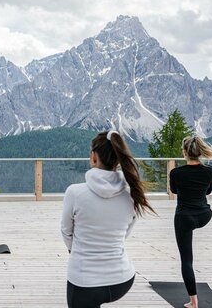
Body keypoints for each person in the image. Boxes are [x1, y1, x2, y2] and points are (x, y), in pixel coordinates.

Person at [61, 130, 155, 308]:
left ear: (93, 157)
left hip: (84, 283)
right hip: (122, 280)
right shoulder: (132, 195)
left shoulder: (75, 193)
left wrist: (79, 250)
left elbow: (66, 232)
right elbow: (124, 233)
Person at [170, 136, 212, 308]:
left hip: (185, 218)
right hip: (204, 215)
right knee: (193, 216)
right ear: (199, 152)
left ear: (185, 153)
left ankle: (193, 301)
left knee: (187, 261)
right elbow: (207, 191)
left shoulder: (176, 173)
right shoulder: (210, 171)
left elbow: (174, 191)